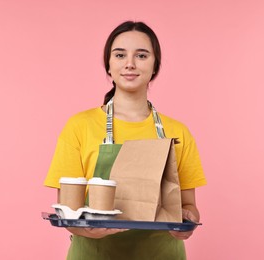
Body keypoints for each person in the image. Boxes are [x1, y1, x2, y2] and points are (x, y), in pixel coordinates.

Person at [44, 21, 207, 259]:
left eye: (141, 55)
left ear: (155, 66)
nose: (130, 63)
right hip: (94, 254)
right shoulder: (79, 126)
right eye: (120, 55)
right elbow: (68, 210)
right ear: (109, 66)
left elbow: (189, 206)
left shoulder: (178, 132)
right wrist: (88, 231)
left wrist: (188, 221)